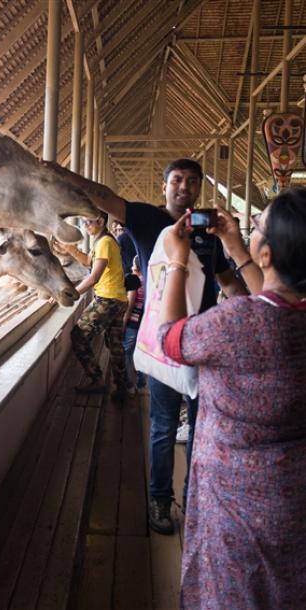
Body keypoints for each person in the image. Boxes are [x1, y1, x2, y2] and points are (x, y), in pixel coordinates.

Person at [44, 158, 248, 535]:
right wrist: (62, 174)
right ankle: (159, 500)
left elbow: (229, 285)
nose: (183, 186)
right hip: (161, 344)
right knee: (163, 427)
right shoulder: (145, 221)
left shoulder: (209, 234)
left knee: (202, 430)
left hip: (204, 344)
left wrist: (255, 311)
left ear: (199, 188)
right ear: (164, 187)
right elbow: (103, 196)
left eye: (191, 181)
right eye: (176, 180)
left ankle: (192, 501)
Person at [157, 188, 306, 609]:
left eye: (257, 226)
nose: (252, 228)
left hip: (236, 503)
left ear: (269, 254)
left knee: (235, 591)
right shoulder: (269, 315)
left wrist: (176, 260)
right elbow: (276, 301)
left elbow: (171, 339)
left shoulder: (236, 322)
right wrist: (237, 246)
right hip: (295, 495)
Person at [60, 211, 130, 401]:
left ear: (100, 221)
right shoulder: (102, 241)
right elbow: (89, 263)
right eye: (83, 222)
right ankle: (122, 385)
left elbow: (94, 276)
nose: (84, 226)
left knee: (78, 335)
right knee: (114, 343)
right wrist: (71, 250)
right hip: (118, 298)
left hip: (107, 298)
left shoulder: (105, 242)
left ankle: (96, 379)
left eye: (88, 222)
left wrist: (72, 294)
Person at [123, 255, 146, 393]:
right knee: (141, 352)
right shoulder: (149, 281)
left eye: (133, 265)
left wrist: (124, 323)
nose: (131, 267)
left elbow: (130, 305)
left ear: (137, 267)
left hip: (133, 323)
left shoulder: (134, 281)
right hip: (145, 324)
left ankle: (130, 385)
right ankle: (141, 383)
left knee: (127, 352)